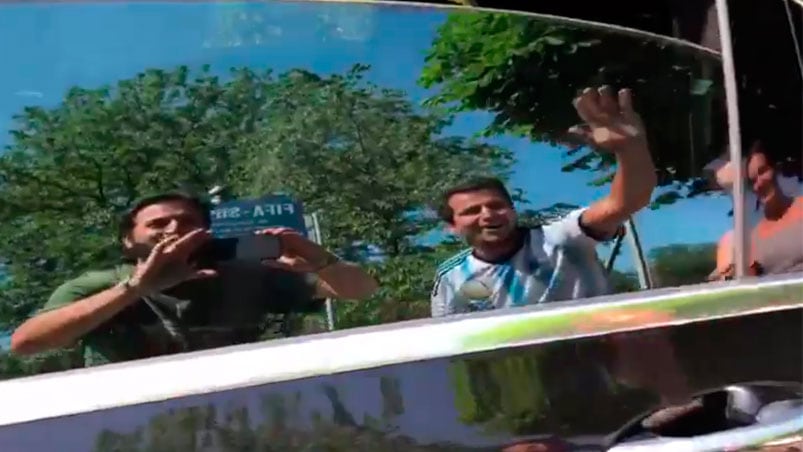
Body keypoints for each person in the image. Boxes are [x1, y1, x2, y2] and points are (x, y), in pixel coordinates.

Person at [10, 192, 378, 366]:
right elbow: (26, 342)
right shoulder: (95, 286)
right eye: (157, 224)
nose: (173, 229)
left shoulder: (245, 277)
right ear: (128, 239)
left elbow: (362, 291)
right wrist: (135, 289)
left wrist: (321, 260)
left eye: (187, 222)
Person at [430, 86, 657, 317]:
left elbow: (626, 202)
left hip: (602, 348)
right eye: (472, 211)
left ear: (512, 210)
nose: (488, 215)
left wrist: (630, 147)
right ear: (451, 227)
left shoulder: (559, 236)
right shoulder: (452, 276)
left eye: (497, 205)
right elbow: (450, 339)